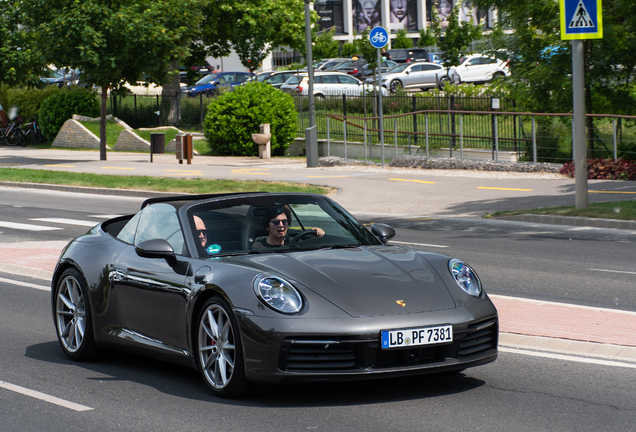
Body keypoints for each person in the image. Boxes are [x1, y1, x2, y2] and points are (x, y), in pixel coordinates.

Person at [252, 206, 324, 249]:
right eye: (276, 222)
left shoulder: (294, 243)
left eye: (284, 222)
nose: (281, 225)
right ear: (267, 227)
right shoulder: (259, 247)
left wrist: (315, 239)